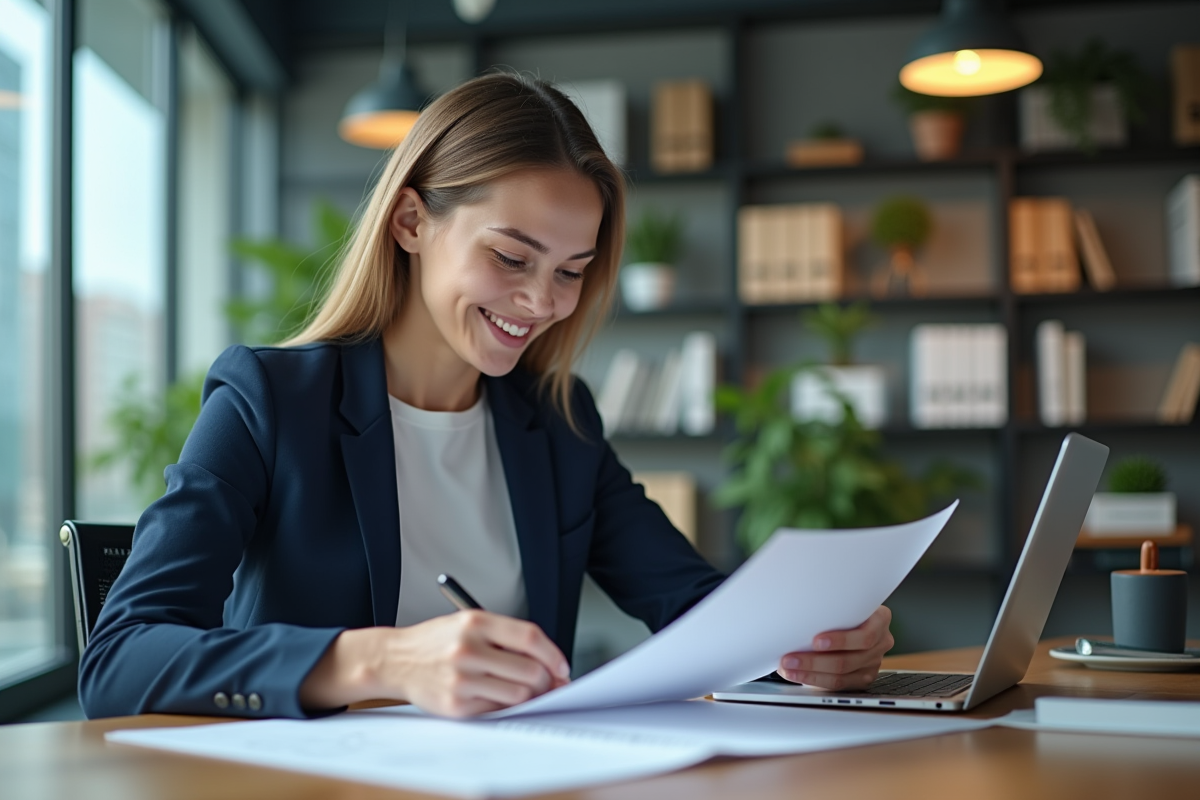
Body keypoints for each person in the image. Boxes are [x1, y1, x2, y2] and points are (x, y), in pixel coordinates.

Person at [79, 73, 893, 720]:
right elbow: (119, 658)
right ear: (410, 222)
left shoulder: (558, 423)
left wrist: (809, 642)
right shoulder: (269, 400)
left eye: (571, 271)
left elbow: (693, 608)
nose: (542, 302)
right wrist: (382, 661)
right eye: (512, 258)